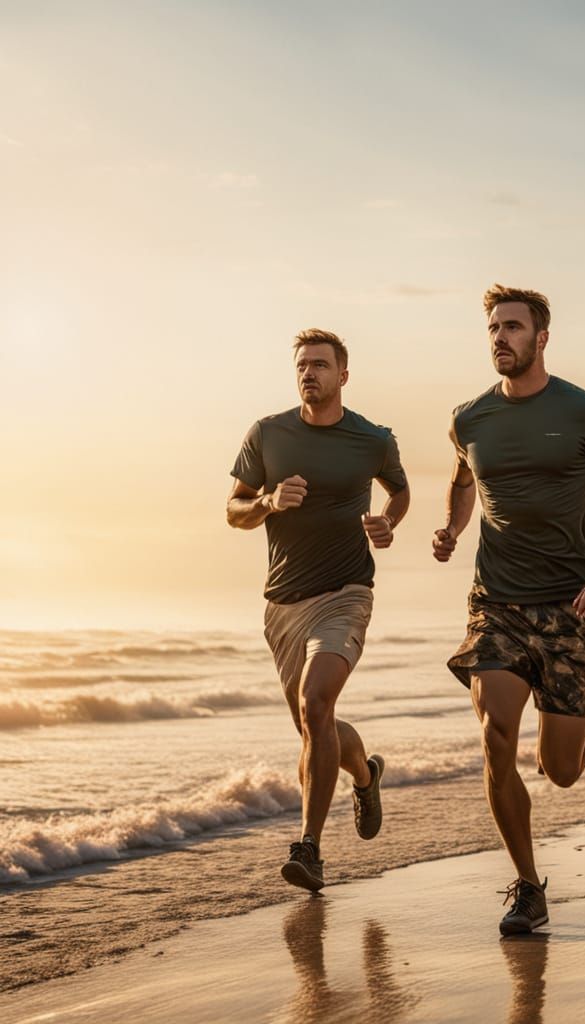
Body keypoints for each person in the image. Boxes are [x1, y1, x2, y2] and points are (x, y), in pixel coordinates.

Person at [433, 284, 585, 935]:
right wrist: (450, 527)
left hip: (572, 609)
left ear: (542, 337)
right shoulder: (469, 419)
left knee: (560, 770)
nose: (501, 337)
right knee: (497, 737)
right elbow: (462, 478)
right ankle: (528, 887)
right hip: (495, 604)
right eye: (494, 327)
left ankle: (575, 746)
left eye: (514, 327)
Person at [227, 328, 409, 891]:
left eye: (321, 365)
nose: (310, 373)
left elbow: (398, 491)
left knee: (315, 701)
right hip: (283, 603)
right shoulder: (268, 433)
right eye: (303, 365)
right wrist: (266, 501)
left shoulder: (372, 439)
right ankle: (365, 773)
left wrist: (388, 521)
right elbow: (233, 510)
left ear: (343, 375)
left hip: (346, 592)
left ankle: (309, 849)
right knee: (316, 724)